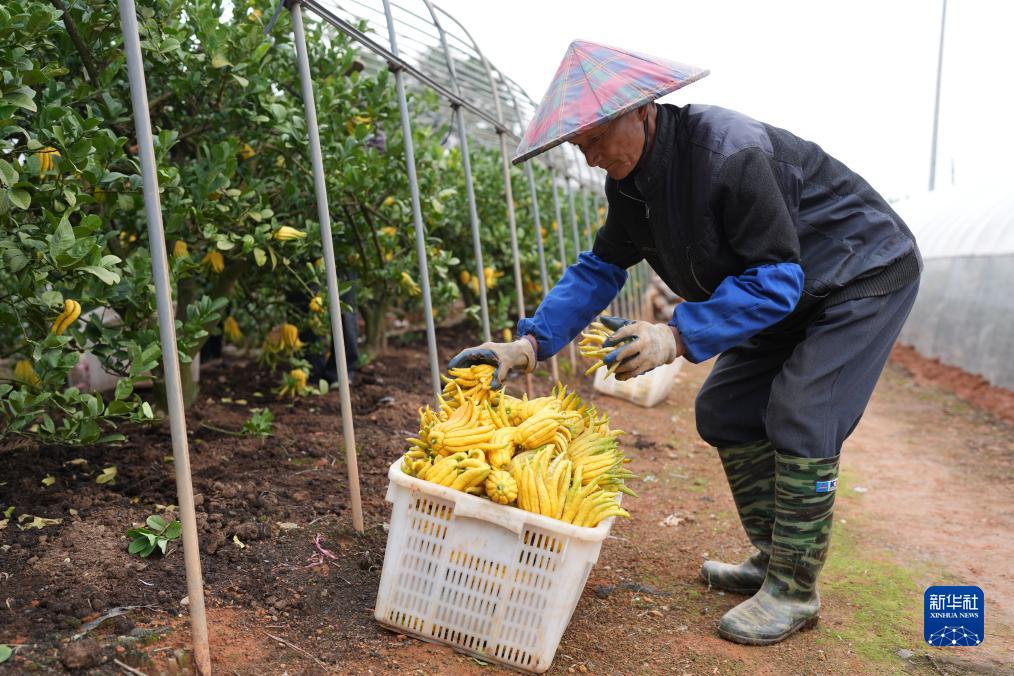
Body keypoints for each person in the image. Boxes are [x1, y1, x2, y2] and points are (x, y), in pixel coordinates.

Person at [448, 41, 921, 645]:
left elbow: (777, 278)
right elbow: (601, 267)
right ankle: (774, 556)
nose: (590, 157)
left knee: (802, 411)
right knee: (724, 408)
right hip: (793, 288)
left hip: (859, 275)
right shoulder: (631, 185)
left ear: (643, 109)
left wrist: (676, 335)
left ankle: (795, 589)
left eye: (595, 138)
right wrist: (530, 345)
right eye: (579, 145)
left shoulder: (729, 153)